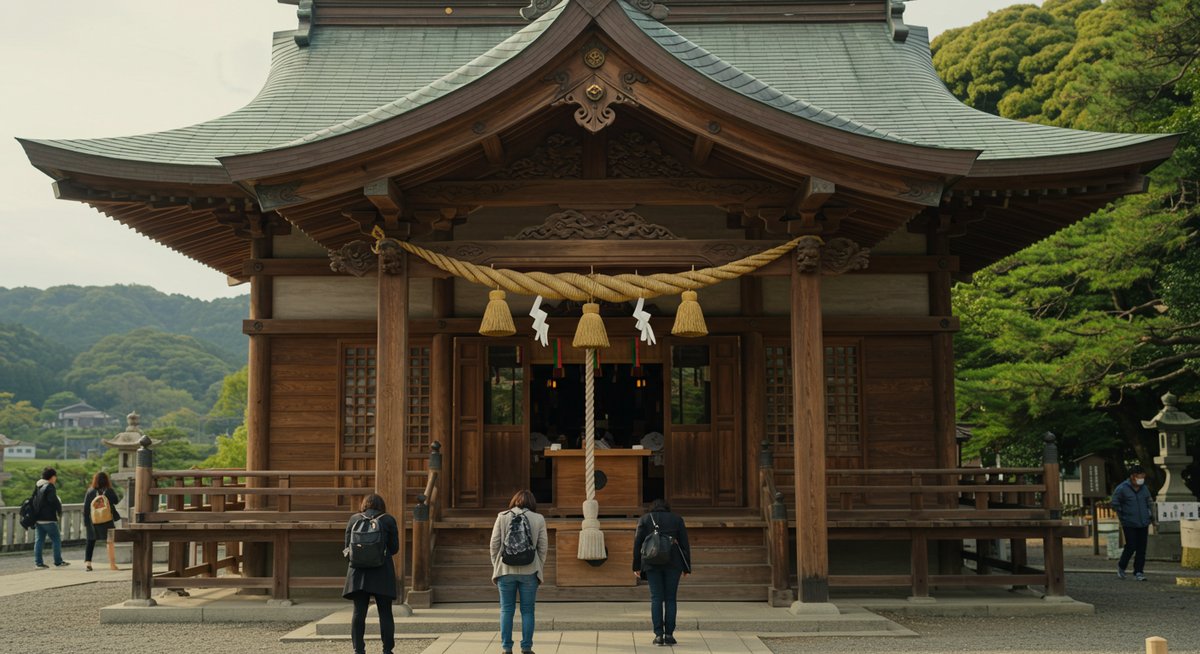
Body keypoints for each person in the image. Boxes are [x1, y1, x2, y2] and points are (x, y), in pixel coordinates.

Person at [490, 489, 549, 654]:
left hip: (505, 570)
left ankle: (506, 648)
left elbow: (494, 544)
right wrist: (539, 566)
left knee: (506, 609)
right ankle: (526, 648)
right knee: (528, 610)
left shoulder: (502, 516)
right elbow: (543, 547)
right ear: (532, 503)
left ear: (514, 501)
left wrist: (497, 565)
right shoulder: (538, 518)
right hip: (530, 570)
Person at [342, 494, 400, 654]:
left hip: (358, 573)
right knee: (385, 613)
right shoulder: (388, 520)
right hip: (382, 571)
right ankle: (387, 650)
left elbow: (347, 548)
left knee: (358, 613)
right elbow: (394, 548)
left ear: (364, 505)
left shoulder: (354, 519)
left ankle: (358, 650)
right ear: (382, 505)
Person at [632, 499, 691, 646]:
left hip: (651, 562)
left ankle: (658, 635)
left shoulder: (644, 519)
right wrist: (686, 566)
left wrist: (636, 566)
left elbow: (638, 543)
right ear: (667, 508)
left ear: (652, 509)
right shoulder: (677, 519)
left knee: (656, 598)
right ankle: (669, 635)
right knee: (671, 598)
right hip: (674, 563)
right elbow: (684, 544)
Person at [1112, 464, 1153, 581]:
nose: (1141, 479)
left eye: (1143, 476)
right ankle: (1122, 566)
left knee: (1142, 548)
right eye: (1139, 476)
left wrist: (1152, 517)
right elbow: (1115, 503)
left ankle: (1139, 571)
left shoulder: (1144, 488)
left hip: (1143, 522)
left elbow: (1149, 502)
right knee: (1131, 546)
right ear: (1133, 476)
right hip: (1129, 522)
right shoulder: (1122, 488)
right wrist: (1122, 516)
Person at [83, 471, 122, 571]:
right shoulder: (109, 491)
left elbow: (86, 508)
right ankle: (112, 564)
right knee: (110, 542)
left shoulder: (90, 491)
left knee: (90, 541)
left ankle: (88, 564)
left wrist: (86, 523)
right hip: (107, 520)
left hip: (93, 521)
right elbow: (116, 501)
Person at [32, 467, 68, 569]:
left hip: (38, 519)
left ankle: (38, 563)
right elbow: (52, 500)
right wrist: (59, 509)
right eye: (55, 476)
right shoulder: (50, 487)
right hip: (49, 519)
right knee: (56, 539)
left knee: (39, 541)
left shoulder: (38, 486)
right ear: (52, 477)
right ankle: (58, 561)